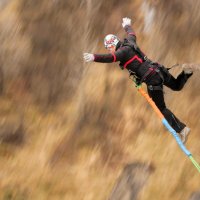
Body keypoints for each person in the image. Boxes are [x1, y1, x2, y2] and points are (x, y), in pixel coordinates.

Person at [83, 17, 193, 143]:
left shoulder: (121, 52)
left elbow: (110, 58)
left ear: (112, 45)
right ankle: (187, 72)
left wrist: (94, 57)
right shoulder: (129, 42)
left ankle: (182, 130)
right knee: (177, 86)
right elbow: (131, 33)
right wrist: (127, 25)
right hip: (159, 71)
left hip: (152, 80)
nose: (109, 50)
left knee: (160, 108)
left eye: (108, 48)